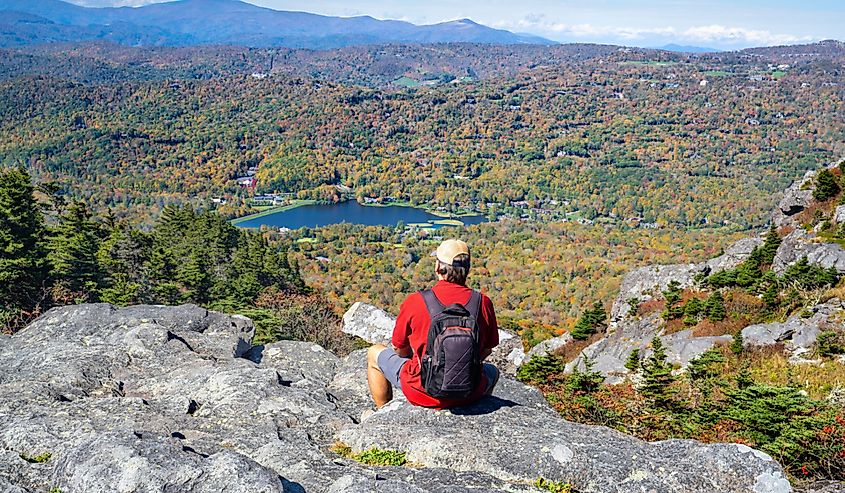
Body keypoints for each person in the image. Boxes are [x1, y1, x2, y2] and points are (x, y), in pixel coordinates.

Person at [366, 239, 500, 409]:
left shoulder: (416, 301)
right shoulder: (482, 302)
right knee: (493, 372)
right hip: (469, 392)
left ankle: (381, 412)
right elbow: (487, 349)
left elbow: (400, 348)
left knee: (374, 353)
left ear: (438, 267)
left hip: (422, 391)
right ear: (467, 269)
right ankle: (473, 406)